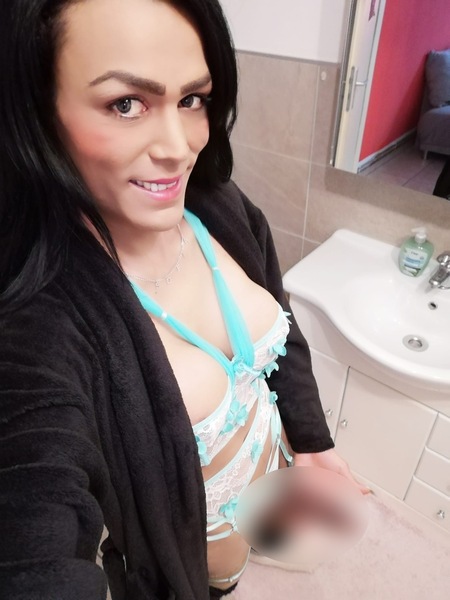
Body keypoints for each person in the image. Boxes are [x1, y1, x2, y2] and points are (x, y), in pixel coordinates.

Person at [0, 1, 367, 599]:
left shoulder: (219, 205)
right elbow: (35, 528)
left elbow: (283, 328)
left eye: (193, 99)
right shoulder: (39, 330)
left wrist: (312, 440)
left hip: (278, 484)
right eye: (126, 104)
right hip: (205, 554)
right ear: (38, 112)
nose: (178, 147)